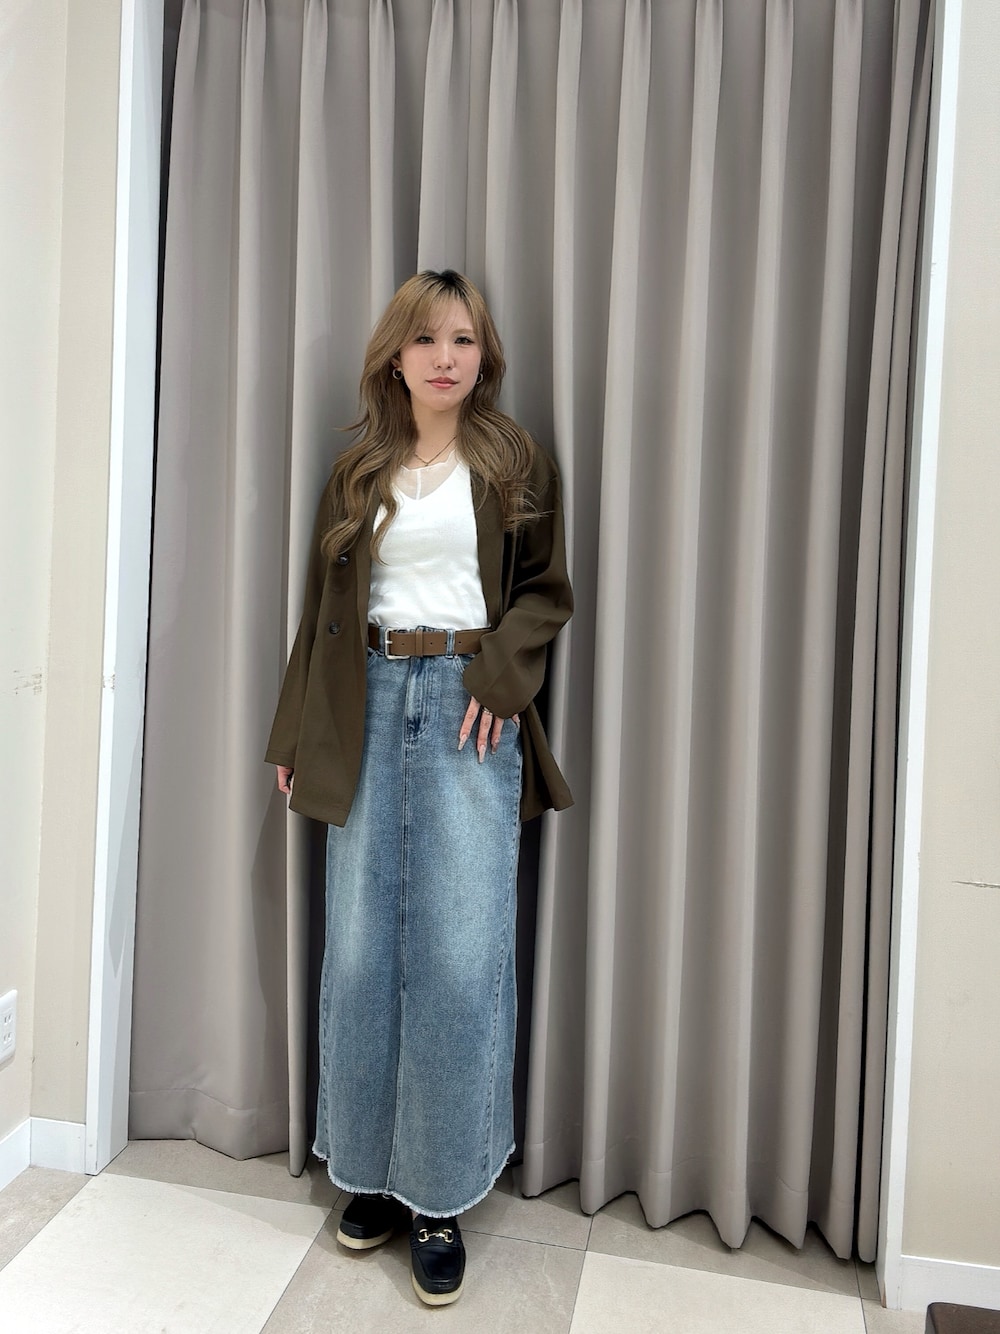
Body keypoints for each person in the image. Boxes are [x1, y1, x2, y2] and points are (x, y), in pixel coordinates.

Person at [265, 269, 572, 1306]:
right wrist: (295, 732)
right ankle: (368, 1173)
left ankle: (438, 1193)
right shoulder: (358, 470)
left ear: (484, 356)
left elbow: (545, 593)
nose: (447, 357)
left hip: (465, 708)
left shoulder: (513, 460)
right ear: (395, 356)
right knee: (360, 952)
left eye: (465, 339)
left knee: (456, 953)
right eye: (428, 339)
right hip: (363, 700)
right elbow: (320, 616)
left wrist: (498, 680)